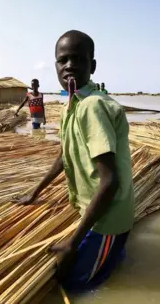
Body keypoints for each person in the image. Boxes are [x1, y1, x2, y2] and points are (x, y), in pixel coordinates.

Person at [13, 30, 134, 292]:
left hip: (108, 216)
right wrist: (35, 192)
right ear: (55, 65)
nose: (69, 66)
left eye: (78, 59)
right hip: (95, 207)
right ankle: (112, 252)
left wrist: (72, 242)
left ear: (92, 66)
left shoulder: (92, 106)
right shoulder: (72, 104)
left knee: (75, 284)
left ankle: (112, 250)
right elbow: (64, 155)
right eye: (63, 60)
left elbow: (110, 181)